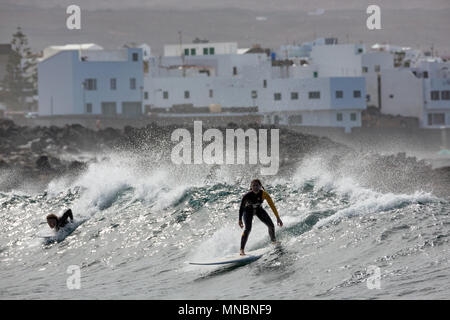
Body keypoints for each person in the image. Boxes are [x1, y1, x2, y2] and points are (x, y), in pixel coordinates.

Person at [238, 179, 283, 256]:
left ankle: (274, 241)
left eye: (257, 185)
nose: (255, 187)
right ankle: (242, 250)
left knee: (271, 225)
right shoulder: (247, 196)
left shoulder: (264, 194)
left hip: (258, 210)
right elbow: (241, 208)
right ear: (251, 187)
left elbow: (272, 206)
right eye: (253, 186)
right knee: (248, 229)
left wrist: (278, 218)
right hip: (248, 211)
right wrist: (240, 219)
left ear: (260, 186)